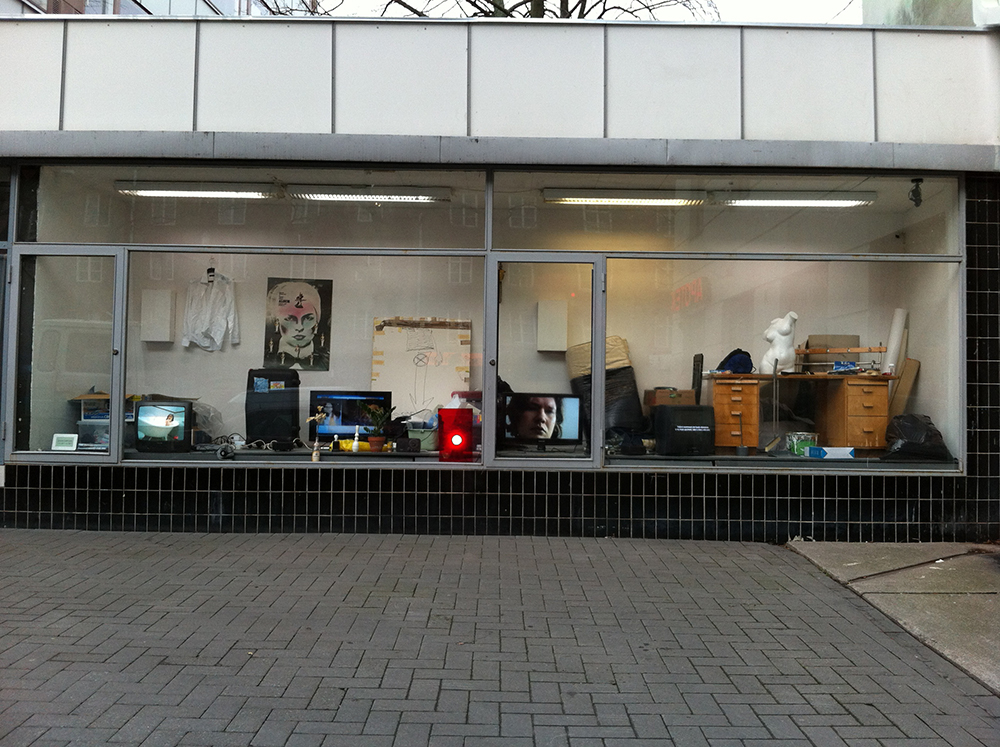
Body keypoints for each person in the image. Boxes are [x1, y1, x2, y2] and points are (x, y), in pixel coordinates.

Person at [263, 281, 330, 371]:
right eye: (290, 319)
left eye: (308, 318)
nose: (299, 327)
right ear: (277, 321)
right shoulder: (265, 357)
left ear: (317, 321)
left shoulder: (327, 360)